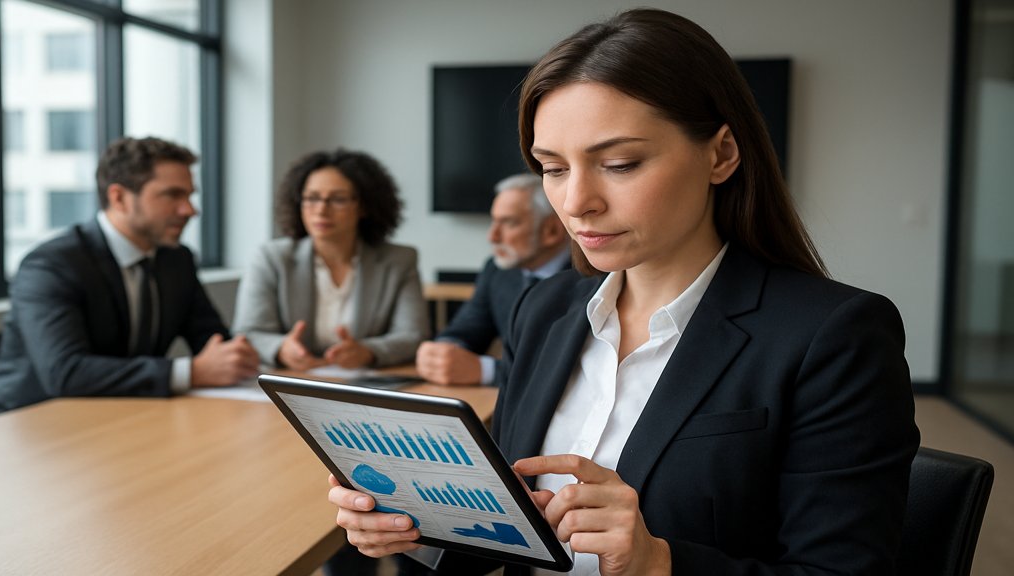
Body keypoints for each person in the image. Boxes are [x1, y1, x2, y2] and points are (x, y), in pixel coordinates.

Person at [327, 8, 921, 576]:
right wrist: (419, 527)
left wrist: (656, 563)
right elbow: (511, 536)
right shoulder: (545, 310)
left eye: (619, 163)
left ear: (721, 153)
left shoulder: (834, 335)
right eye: (553, 168)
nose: (575, 202)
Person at [0, 136, 260, 415]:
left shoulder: (177, 260)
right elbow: (66, 373)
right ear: (118, 197)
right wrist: (190, 372)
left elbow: (212, 340)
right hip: (30, 424)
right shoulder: (52, 265)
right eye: (173, 195)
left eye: (190, 195)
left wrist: (236, 355)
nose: (190, 210)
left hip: (123, 415)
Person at [233, 149, 429, 372]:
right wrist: (281, 349)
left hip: (364, 386)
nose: (321, 210)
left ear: (364, 206)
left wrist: (368, 351)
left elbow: (413, 336)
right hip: (291, 382)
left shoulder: (399, 260)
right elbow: (248, 332)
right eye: (312, 198)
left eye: (338, 199)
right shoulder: (271, 258)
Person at [416, 173, 569, 386]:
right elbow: (468, 328)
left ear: (551, 230)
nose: (492, 236)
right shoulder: (497, 270)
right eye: (494, 221)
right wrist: (443, 352)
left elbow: (567, 369)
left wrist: (485, 370)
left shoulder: (592, 279)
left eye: (508, 223)